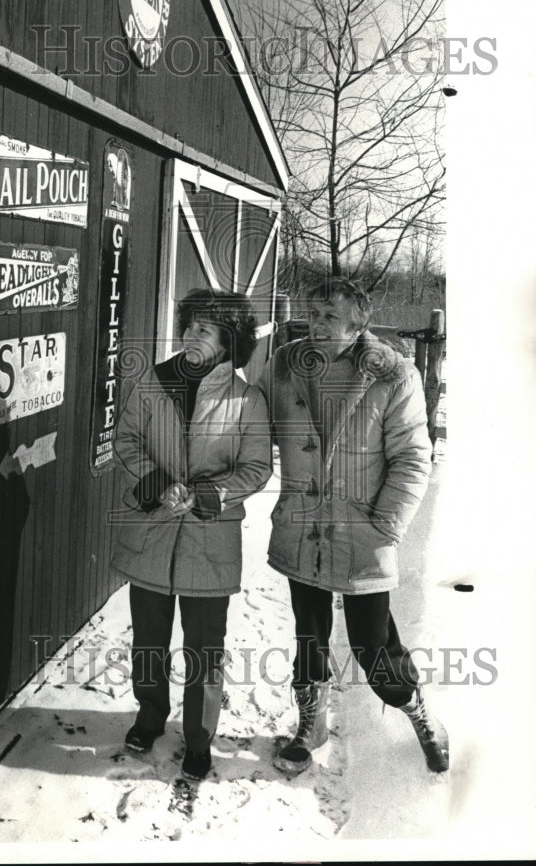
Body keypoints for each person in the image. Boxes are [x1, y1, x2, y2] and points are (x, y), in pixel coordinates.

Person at [261, 277, 448, 776]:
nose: (316, 325)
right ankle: (311, 723)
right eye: (313, 313)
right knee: (308, 635)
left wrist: (384, 524)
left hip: (362, 531)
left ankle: (416, 709)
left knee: (372, 645)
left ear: (358, 323)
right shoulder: (285, 364)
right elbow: (253, 421)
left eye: (329, 316)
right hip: (303, 527)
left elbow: (413, 457)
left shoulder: (394, 376)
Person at [112, 288, 272, 781]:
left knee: (205, 647)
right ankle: (149, 715)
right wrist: (156, 482)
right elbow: (127, 440)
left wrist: (213, 495)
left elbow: (257, 468)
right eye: (189, 325)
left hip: (209, 538)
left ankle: (200, 738)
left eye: (205, 328)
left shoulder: (246, 399)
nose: (191, 335)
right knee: (149, 639)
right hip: (153, 533)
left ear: (229, 341)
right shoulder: (152, 383)